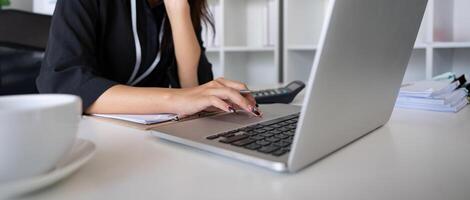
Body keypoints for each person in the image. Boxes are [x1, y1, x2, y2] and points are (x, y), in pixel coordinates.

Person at [36, 0, 260, 117]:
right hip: (91, 135)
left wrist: (178, 10)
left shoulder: (180, 6)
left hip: (150, 135)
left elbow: (194, 86)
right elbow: (64, 83)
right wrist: (174, 99)